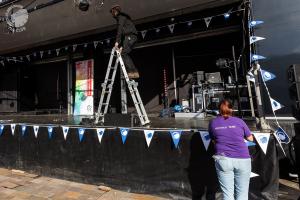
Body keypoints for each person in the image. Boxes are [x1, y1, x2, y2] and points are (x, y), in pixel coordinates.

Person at [208, 99, 254, 200]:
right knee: (242, 193)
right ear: (232, 109)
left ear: (218, 110)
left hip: (223, 159)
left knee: (227, 194)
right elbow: (250, 138)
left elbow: (213, 140)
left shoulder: (213, 123)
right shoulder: (239, 121)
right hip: (242, 159)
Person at [110, 5, 139, 79]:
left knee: (123, 53)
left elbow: (119, 31)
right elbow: (124, 34)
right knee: (124, 52)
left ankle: (132, 72)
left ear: (115, 11)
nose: (112, 14)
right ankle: (134, 72)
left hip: (130, 37)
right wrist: (122, 46)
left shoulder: (121, 17)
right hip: (131, 38)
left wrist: (117, 42)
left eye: (112, 12)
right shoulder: (124, 18)